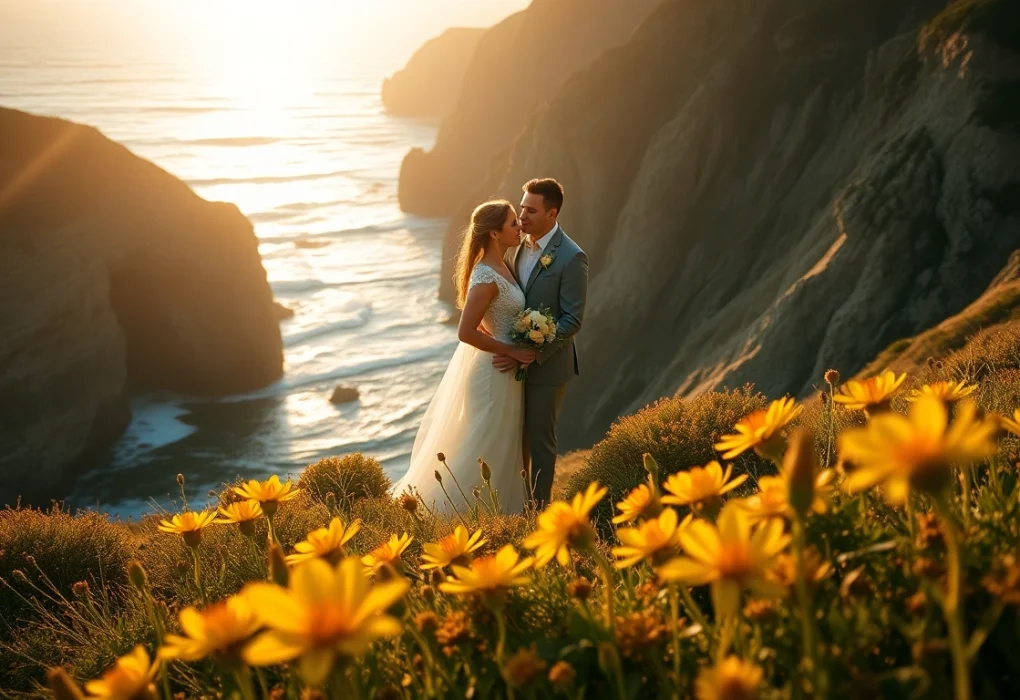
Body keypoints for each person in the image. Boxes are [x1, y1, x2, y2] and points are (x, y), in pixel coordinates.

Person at [392, 200, 535, 513]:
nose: (519, 227)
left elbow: (494, 322)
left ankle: (503, 516)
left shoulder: (504, 266)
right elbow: (466, 332)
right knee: (484, 445)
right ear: (495, 233)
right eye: (512, 223)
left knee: (501, 444)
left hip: (506, 370)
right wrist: (512, 350)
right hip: (492, 373)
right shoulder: (486, 276)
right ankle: (450, 514)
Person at [494, 178, 588, 507]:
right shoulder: (517, 245)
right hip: (515, 363)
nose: (522, 216)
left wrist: (533, 353)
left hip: (548, 367)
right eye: (521, 208)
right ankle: (515, 506)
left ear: (552, 213)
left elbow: (572, 320)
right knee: (513, 439)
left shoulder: (571, 258)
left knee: (541, 445)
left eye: (531, 210)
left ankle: (538, 514)